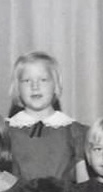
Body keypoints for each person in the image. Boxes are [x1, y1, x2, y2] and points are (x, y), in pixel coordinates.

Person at [7, 52, 88, 184]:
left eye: (43, 80)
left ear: (55, 86)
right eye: (27, 81)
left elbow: (84, 183)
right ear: (17, 88)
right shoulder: (6, 130)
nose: (35, 86)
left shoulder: (74, 131)